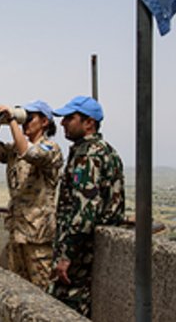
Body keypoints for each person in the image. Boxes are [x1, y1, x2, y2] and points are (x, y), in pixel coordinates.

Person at [0, 100, 63, 290]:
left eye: (30, 118)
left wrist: (12, 120)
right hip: (17, 232)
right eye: (24, 117)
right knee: (18, 289)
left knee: (43, 291)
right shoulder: (14, 149)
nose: (25, 122)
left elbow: (31, 154)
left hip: (38, 237)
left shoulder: (51, 149)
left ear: (45, 122)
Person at [48, 96, 125, 317]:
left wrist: (67, 254)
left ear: (88, 123)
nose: (62, 123)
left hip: (81, 254)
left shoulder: (87, 156)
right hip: (92, 249)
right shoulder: (107, 150)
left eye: (70, 118)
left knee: (68, 309)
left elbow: (85, 210)